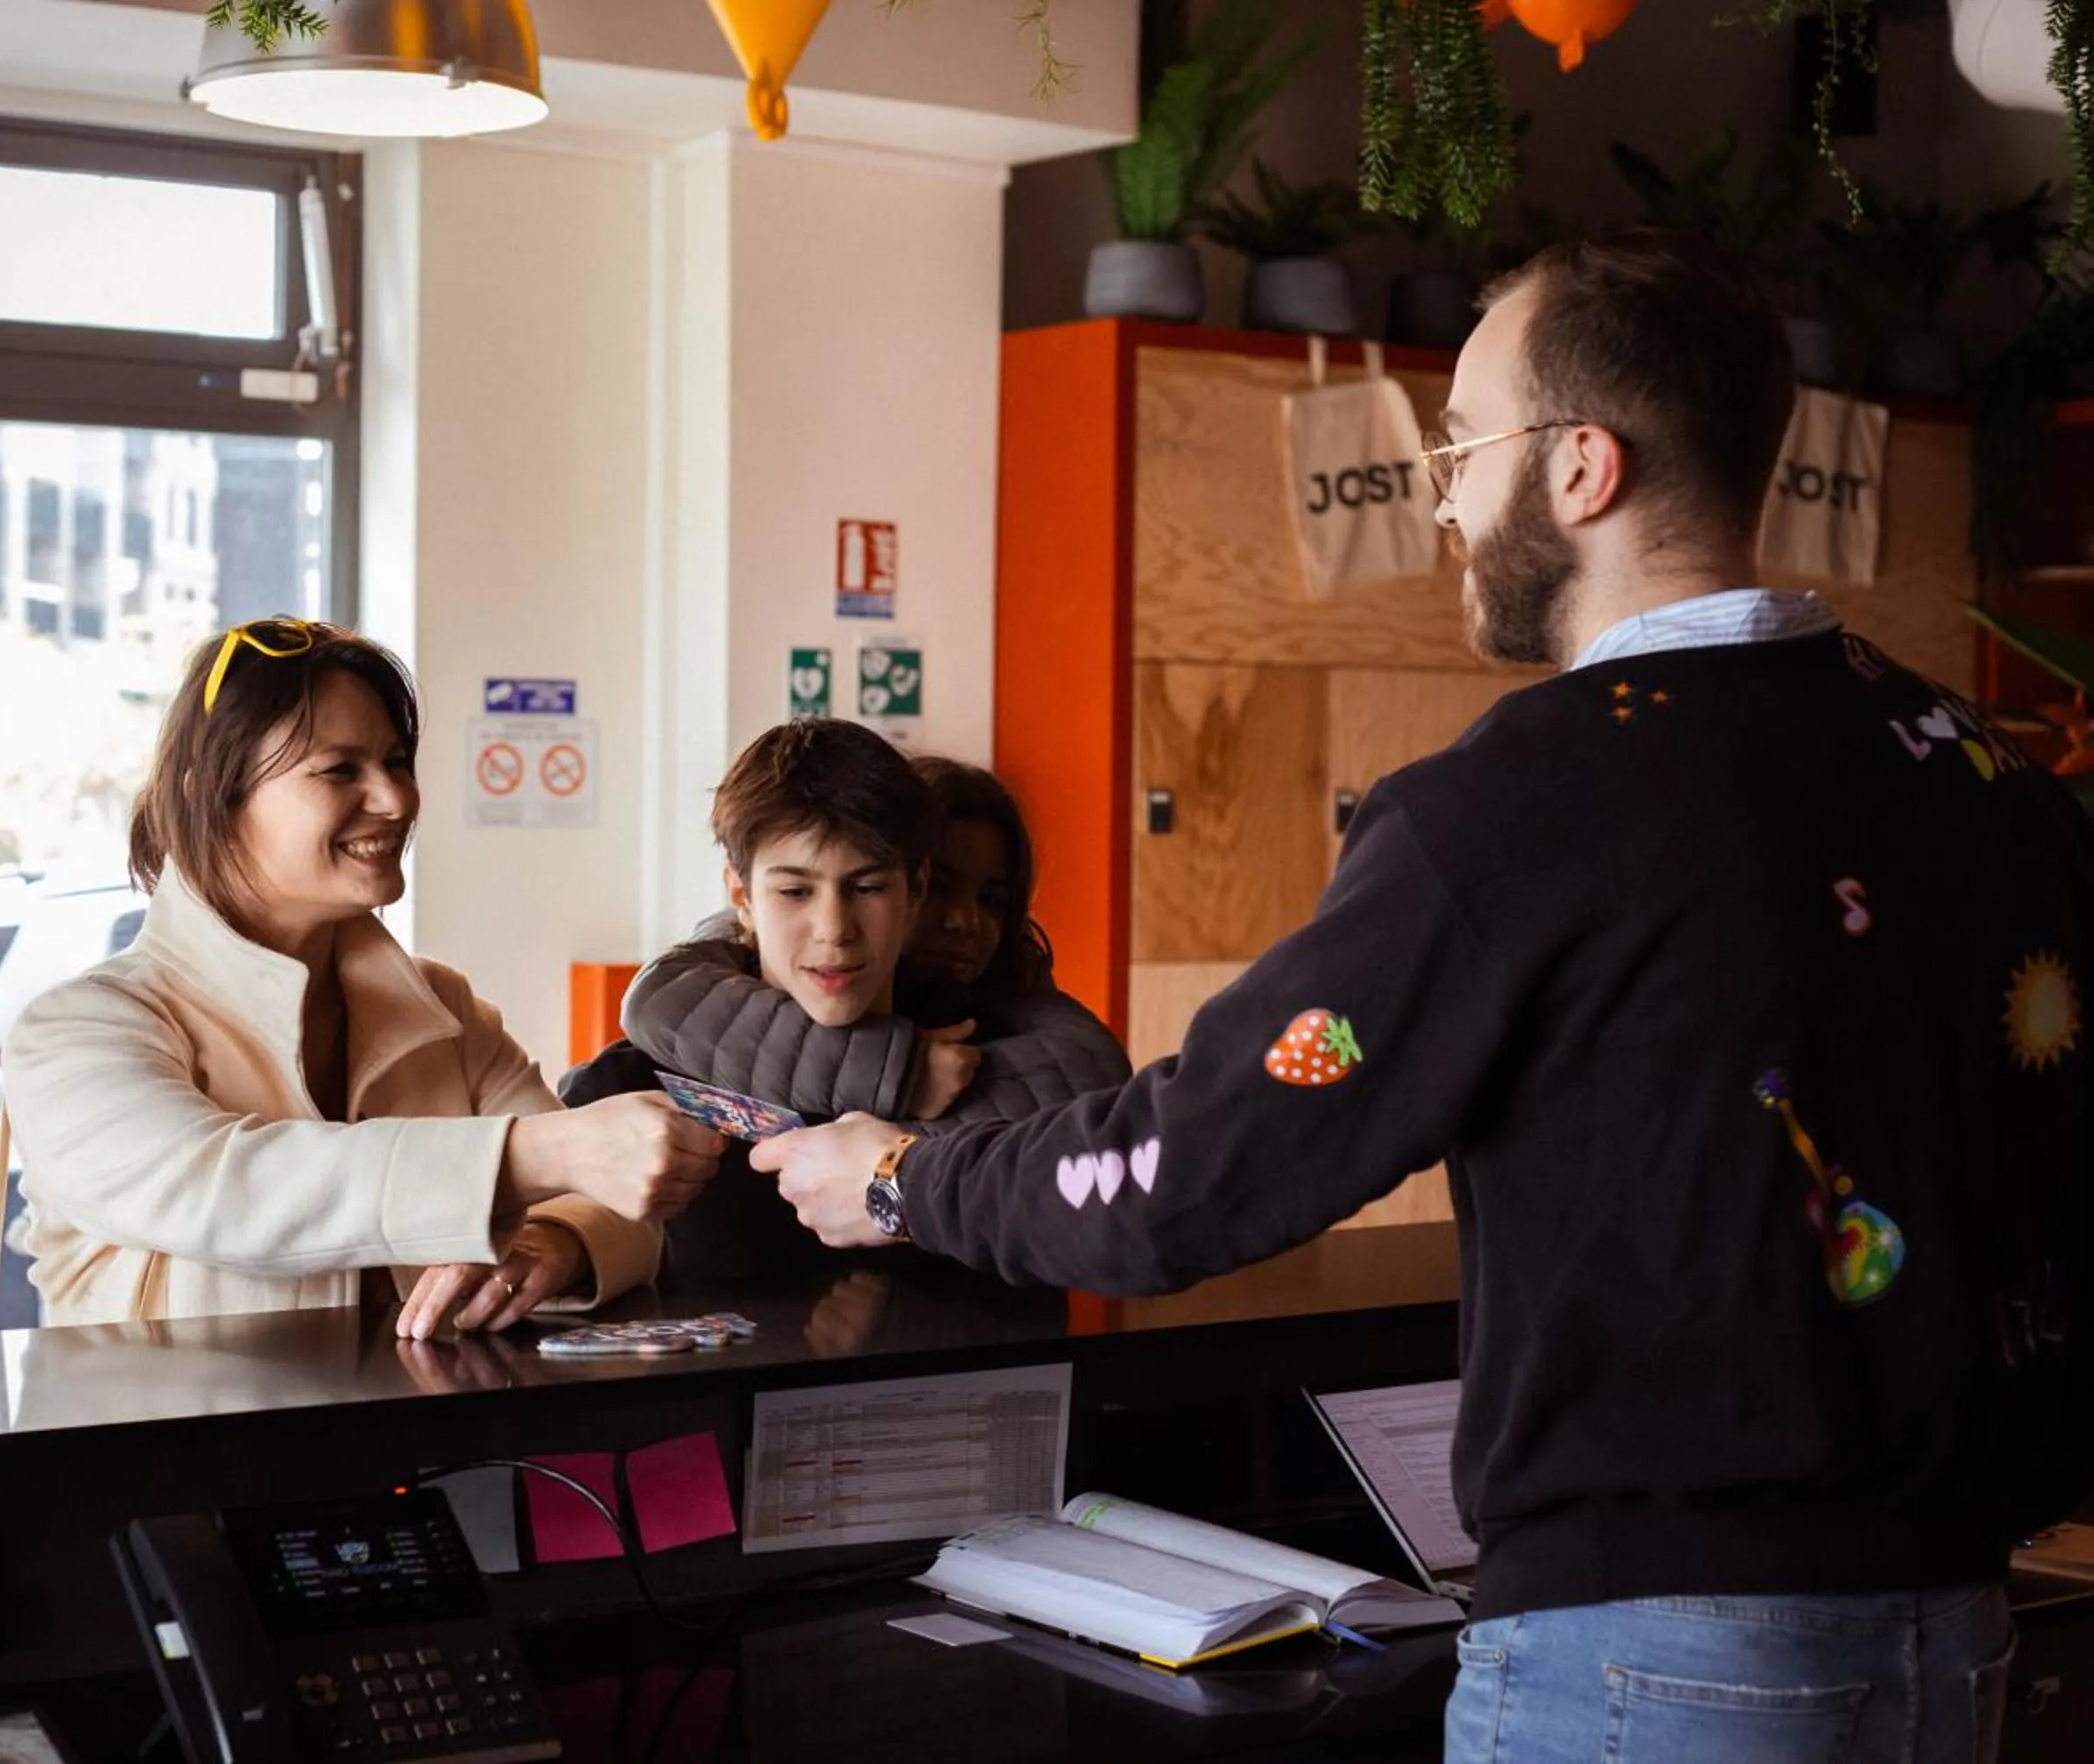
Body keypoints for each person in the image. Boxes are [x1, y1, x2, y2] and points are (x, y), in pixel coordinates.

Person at [755, 231, 2094, 1762]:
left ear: (1581, 467)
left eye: (1464, 448)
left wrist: (906, 1179)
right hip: (1953, 1637)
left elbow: (1196, 1169)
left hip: (1654, 1658)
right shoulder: (1986, 775)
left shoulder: (1524, 802)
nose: (1445, 499)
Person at [4, 619, 722, 1340]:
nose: (396, 800)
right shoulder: (77, 1033)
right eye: (340, 770)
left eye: (397, 762)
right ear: (210, 798)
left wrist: (553, 1245)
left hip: (431, 1421)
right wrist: (542, 1153)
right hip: (162, 1421)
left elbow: (612, 1206)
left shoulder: (443, 1010)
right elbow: (232, 1194)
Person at [566, 719, 1058, 1284]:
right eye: (794, 891)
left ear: (915, 891)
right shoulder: (628, 1094)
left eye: (868, 888)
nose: (834, 929)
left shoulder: (986, 1067)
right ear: (741, 896)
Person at [622, 753, 1130, 1127]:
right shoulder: (758, 946)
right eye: (942, 889)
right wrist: (902, 1072)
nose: (965, 921)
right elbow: (661, 999)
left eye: (992, 899)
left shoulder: (1005, 997)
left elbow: (1091, 1070)